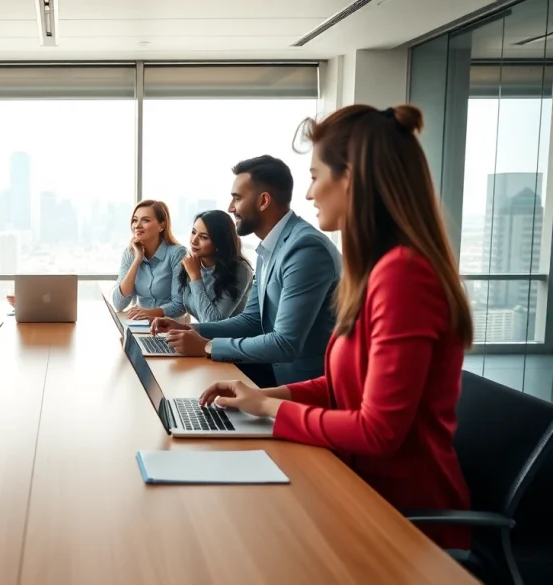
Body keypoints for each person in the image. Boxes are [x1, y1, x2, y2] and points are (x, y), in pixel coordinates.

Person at [199, 105, 472, 550]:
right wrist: (261, 396)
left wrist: (268, 411)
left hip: (402, 522)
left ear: (351, 179)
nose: (308, 194)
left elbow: (378, 431)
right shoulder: (378, 270)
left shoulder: (404, 275)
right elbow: (343, 386)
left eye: (314, 175)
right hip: (354, 489)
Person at [152, 156, 340, 388]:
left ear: (263, 201)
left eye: (237, 198)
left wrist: (205, 346)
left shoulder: (305, 248)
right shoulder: (269, 248)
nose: (231, 208)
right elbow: (252, 321)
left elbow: (285, 343)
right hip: (275, 373)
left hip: (304, 387)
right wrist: (190, 329)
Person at [112, 200, 187, 321]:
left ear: (161, 226)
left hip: (170, 325)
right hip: (140, 324)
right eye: (135, 220)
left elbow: (179, 305)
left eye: (145, 220)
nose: (137, 225)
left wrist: (149, 313)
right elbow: (118, 304)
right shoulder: (130, 253)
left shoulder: (177, 253)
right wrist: (137, 260)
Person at [179, 209, 254, 323]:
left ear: (220, 242)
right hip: (203, 338)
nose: (194, 240)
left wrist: (195, 277)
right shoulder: (191, 263)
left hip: (231, 339)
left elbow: (212, 321)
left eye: (204, 237)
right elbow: (182, 304)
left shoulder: (240, 271)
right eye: (194, 232)